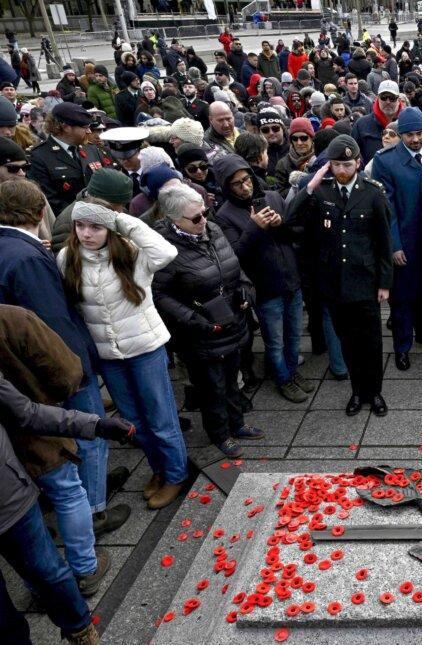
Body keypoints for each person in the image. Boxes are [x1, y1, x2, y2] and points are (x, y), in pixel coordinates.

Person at [0, 179, 130, 536]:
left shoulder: (12, 248)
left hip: (17, 369)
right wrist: (79, 369)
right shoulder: (26, 257)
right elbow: (53, 320)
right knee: (87, 433)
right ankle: (95, 512)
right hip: (52, 366)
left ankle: (96, 487)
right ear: (42, 212)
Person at [0, 371, 134, 645]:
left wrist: (96, 426)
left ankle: (80, 631)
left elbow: (29, 412)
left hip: (9, 501)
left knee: (50, 572)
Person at [57, 201, 189, 509]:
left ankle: (175, 475)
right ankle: (159, 469)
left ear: (111, 229)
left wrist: (119, 219)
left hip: (145, 348)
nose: (86, 233)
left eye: (96, 227)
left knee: (160, 417)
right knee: (133, 421)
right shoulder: (68, 257)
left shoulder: (131, 252)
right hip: (107, 355)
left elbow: (167, 253)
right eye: (80, 226)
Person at [151, 184, 264, 458]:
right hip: (200, 332)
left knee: (231, 380)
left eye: (205, 212)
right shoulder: (163, 248)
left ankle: (237, 424)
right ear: (174, 219)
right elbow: (159, 293)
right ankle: (220, 434)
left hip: (232, 320)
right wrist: (193, 319)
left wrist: (246, 289)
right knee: (212, 387)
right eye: (196, 218)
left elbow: (233, 266)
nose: (204, 220)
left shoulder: (211, 229)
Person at [284, 135, 393, 417]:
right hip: (333, 281)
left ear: (358, 162)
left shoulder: (373, 192)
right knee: (347, 341)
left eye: (347, 164)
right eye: (335, 165)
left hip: (365, 279)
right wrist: (310, 184)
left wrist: (384, 282)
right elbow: (291, 220)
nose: (342, 170)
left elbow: (383, 241)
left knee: (371, 341)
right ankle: (358, 392)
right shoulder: (321, 192)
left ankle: (375, 392)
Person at [213, 154, 310, 403]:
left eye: (247, 180)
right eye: (237, 184)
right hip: (265, 288)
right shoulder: (224, 215)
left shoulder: (272, 197)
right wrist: (254, 227)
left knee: (294, 335)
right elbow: (234, 255)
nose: (245, 187)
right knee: (274, 340)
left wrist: (281, 224)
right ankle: (283, 378)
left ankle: (291, 370)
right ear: (226, 186)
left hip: (291, 279)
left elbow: (297, 233)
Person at [372, 106, 422, 372]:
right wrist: (395, 245)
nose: (415, 139)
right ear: (400, 134)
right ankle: (403, 345)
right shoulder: (385, 160)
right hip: (404, 240)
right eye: (409, 135)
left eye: (420, 134)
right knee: (401, 299)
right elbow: (385, 208)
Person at [28, 103, 112, 217]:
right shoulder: (40, 156)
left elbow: (105, 183)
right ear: (66, 127)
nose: (89, 132)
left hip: (102, 215)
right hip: (68, 223)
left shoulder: (91, 149)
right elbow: (49, 200)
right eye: (84, 127)